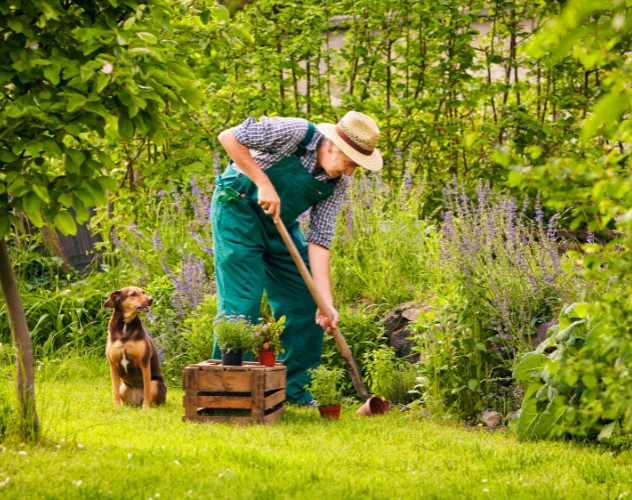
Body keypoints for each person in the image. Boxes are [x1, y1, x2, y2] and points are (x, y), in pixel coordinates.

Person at [211, 111, 382, 405]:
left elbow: (320, 240)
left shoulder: (335, 184)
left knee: (306, 301)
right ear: (331, 146)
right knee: (242, 305)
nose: (351, 172)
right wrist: (263, 183)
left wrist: (325, 303)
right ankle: (228, 392)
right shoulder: (295, 132)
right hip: (237, 212)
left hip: (280, 225)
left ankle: (292, 390)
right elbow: (229, 137)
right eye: (350, 163)